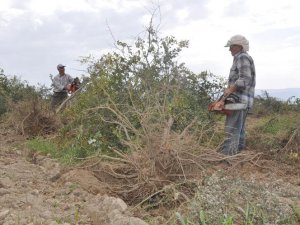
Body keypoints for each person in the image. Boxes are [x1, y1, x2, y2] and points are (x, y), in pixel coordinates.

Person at [220, 34, 256, 155]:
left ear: (238, 46)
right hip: (243, 100)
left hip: (239, 100)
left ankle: (227, 156)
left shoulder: (241, 57)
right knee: (239, 128)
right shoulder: (242, 57)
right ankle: (239, 153)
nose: (229, 49)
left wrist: (230, 90)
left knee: (232, 128)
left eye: (231, 47)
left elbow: (245, 79)